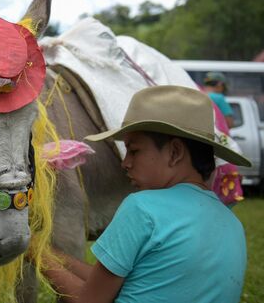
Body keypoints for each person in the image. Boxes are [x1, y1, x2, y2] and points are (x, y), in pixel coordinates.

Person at [37, 86, 250, 303]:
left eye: (134, 151)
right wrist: (49, 253)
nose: (125, 163)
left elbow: (89, 300)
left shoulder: (143, 208)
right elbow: (109, 282)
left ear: (175, 153)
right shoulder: (232, 223)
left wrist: (37, 256)